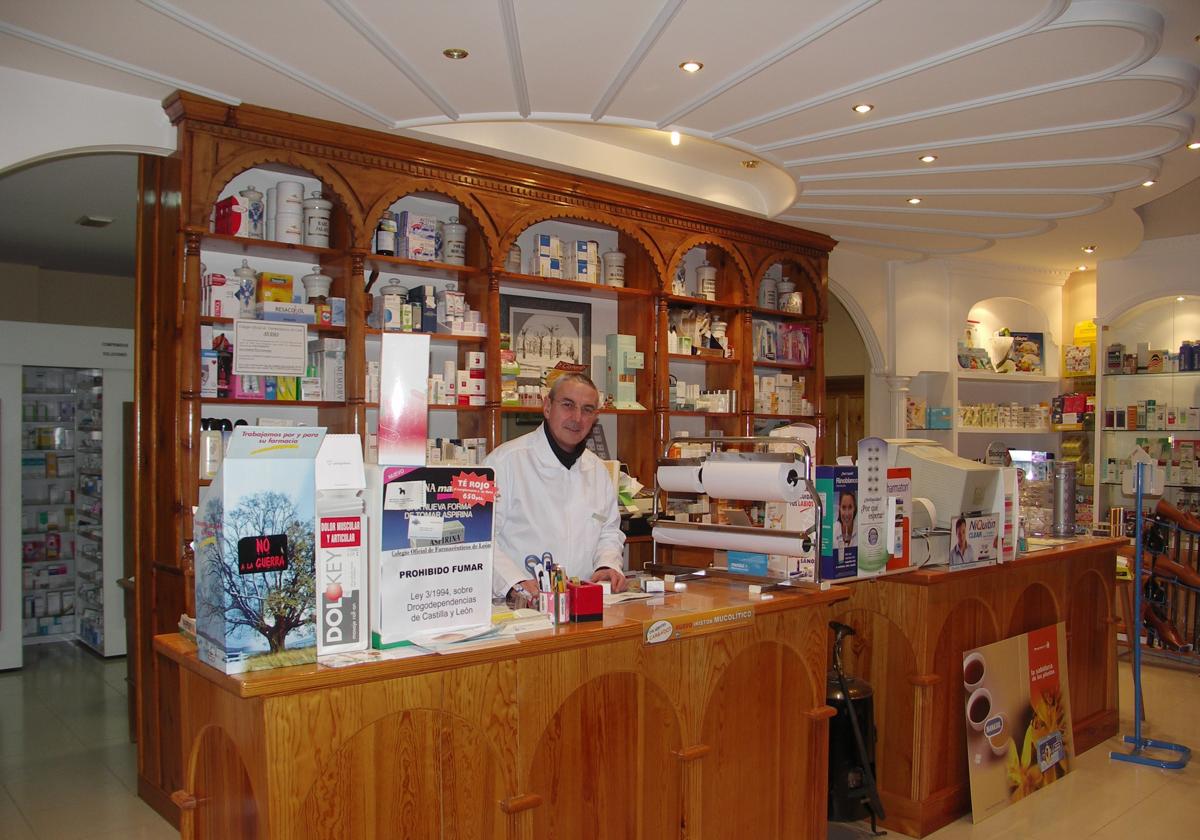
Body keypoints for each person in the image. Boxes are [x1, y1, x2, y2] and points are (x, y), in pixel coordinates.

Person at [486, 372, 628, 602]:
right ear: (548, 406)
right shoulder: (504, 463)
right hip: (522, 607)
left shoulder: (597, 470)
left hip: (583, 603)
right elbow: (482, 538)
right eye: (568, 405)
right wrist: (514, 582)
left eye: (587, 410)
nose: (577, 418)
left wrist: (607, 564)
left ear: (595, 417)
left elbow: (608, 531)